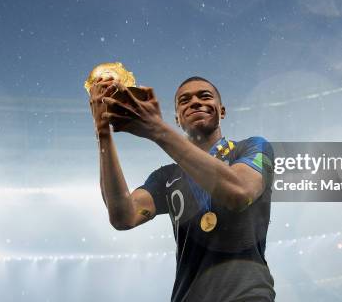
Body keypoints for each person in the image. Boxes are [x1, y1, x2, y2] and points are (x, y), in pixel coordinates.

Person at [89, 75, 276, 302]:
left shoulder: (252, 147)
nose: (195, 102)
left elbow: (239, 193)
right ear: (177, 118)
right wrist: (103, 133)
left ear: (222, 111)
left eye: (205, 96)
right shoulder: (165, 177)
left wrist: (156, 130)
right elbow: (123, 216)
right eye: (184, 100)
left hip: (245, 294)